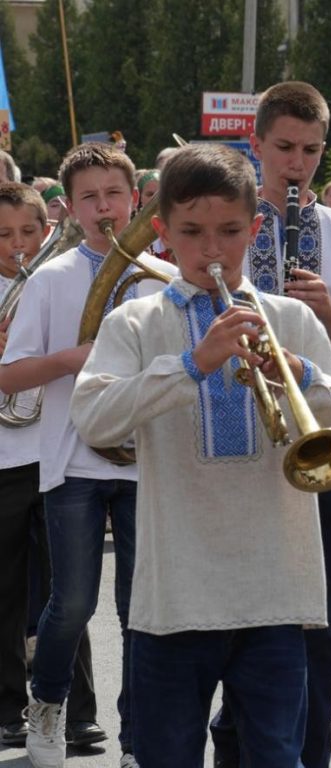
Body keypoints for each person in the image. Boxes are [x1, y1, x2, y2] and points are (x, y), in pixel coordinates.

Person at [70, 143, 331, 768]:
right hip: (176, 596)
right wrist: (191, 364)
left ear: (255, 228)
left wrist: (305, 373)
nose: (212, 250)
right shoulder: (134, 321)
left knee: (274, 757)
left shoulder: (290, 318)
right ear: (161, 233)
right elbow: (92, 415)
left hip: (277, 592)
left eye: (231, 231)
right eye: (192, 233)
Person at [209, 81, 331, 768]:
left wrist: (329, 312)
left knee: (319, 618)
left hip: (319, 439)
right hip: (235, 441)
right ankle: (236, 743)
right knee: (235, 615)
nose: (298, 162)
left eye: (311, 149)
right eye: (284, 147)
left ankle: (311, 755)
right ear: (255, 144)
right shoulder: (225, 226)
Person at [0, 143, 176, 768]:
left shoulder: (165, 277)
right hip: (72, 464)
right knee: (71, 602)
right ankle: (47, 704)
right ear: (69, 209)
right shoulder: (51, 278)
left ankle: (137, 737)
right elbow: (10, 375)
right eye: (89, 198)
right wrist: (75, 358)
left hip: (145, 463)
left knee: (141, 610)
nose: (104, 207)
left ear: (135, 198)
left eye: (114, 194)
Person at [0, 183, 105, 753]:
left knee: (69, 591)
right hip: (2, 460)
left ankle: (78, 711)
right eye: (4, 235)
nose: (18, 245)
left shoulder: (54, 281)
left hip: (52, 451)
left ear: (47, 228)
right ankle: (9, 707)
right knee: (6, 592)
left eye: (28, 232)